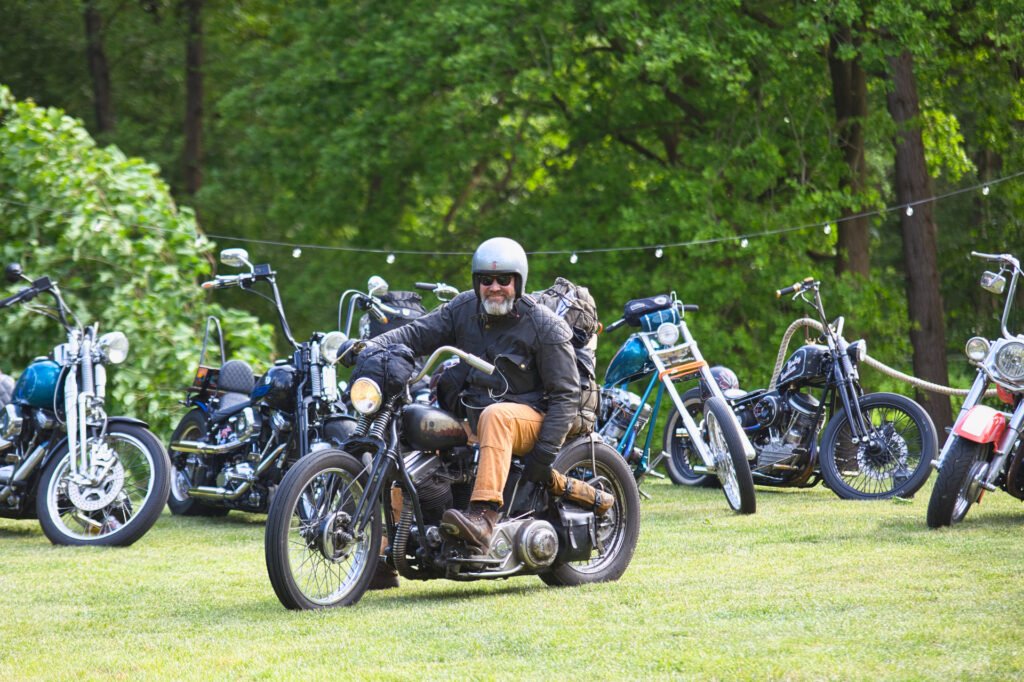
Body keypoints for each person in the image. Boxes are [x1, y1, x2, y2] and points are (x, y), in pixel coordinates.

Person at [370, 237, 615, 551]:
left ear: (519, 281)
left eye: (504, 279)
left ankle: (483, 517)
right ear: (477, 282)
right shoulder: (463, 309)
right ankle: (391, 547)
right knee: (408, 423)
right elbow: (415, 333)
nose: (495, 287)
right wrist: (370, 347)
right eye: (486, 280)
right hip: (477, 418)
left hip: (533, 418)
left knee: (496, 416)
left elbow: (565, 396)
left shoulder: (544, 325)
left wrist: (542, 457)